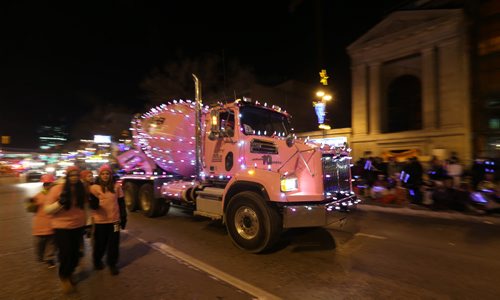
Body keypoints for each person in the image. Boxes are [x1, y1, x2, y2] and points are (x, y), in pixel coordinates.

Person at [44, 166, 87, 294]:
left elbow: (83, 208)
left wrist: (86, 224)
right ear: (67, 176)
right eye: (71, 175)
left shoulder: (81, 189)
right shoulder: (57, 188)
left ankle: (70, 271)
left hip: (78, 226)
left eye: (76, 175)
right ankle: (64, 277)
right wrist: (60, 203)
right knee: (65, 254)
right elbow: (47, 210)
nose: (74, 178)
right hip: (61, 227)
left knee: (75, 255)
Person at [89, 164, 127, 275]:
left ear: (111, 175)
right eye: (103, 174)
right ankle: (97, 261)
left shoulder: (116, 187)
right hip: (100, 221)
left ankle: (112, 264)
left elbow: (121, 202)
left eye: (107, 174)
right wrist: (93, 203)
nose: (105, 176)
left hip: (114, 221)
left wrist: (123, 217)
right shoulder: (94, 188)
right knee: (100, 243)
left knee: (114, 243)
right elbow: (92, 204)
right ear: (99, 175)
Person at [27, 174, 57, 268]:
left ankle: (49, 259)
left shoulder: (56, 196)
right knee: (39, 244)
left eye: (50, 184)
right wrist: (30, 202)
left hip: (52, 225)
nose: (48, 186)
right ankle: (40, 257)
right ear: (43, 185)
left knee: (51, 244)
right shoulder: (38, 196)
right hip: (39, 225)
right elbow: (30, 209)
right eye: (46, 184)